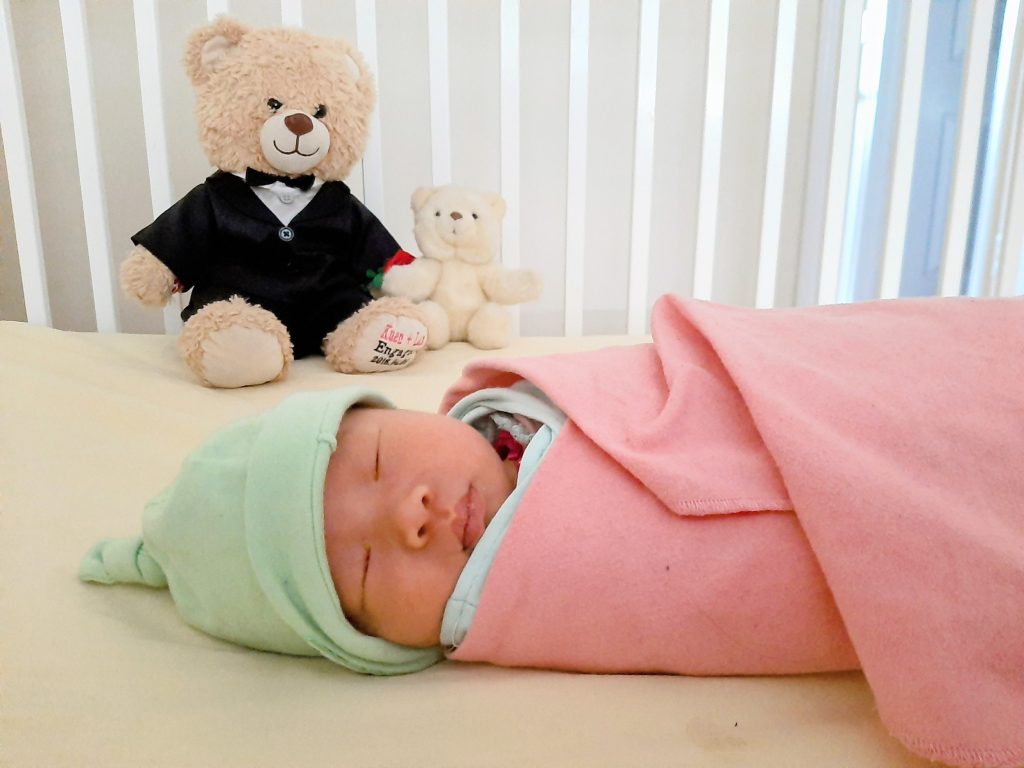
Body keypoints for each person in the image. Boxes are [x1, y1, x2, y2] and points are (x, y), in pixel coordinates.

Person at [80, 294, 1024, 768]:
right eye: (361, 569)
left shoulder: (524, 406)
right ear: (378, 650)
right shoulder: (526, 604)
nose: (406, 516)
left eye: (374, 466)